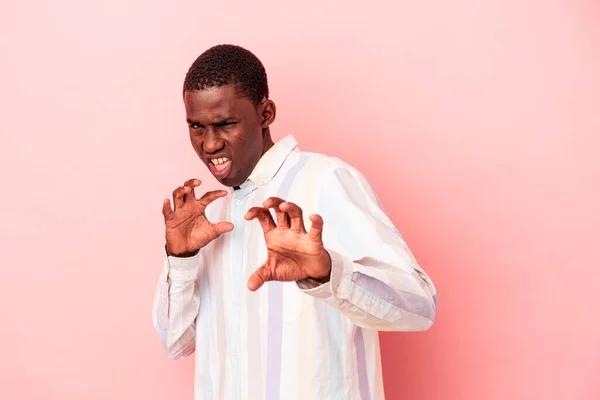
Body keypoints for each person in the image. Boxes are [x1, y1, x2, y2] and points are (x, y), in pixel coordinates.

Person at [152, 44, 438, 400]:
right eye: (196, 126)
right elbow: (176, 344)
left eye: (225, 124)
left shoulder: (325, 181)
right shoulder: (212, 216)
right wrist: (179, 260)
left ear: (265, 113)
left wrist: (327, 273)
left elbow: (420, 305)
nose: (209, 144)